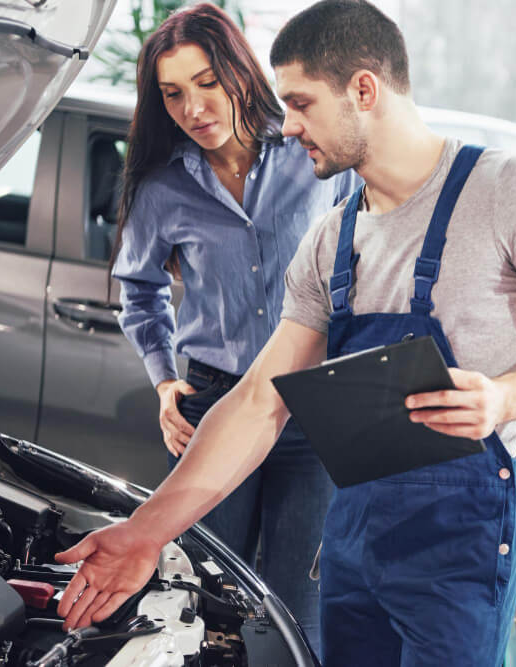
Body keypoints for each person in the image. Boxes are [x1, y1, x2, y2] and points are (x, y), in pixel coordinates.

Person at [57, 1, 516, 664]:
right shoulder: (330, 240)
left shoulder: (509, 190)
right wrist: (144, 532)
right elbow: (259, 401)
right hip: (354, 533)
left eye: (302, 103)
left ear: (363, 89)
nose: (289, 124)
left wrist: (504, 399)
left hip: (461, 540)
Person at [107, 3, 357, 652]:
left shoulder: (313, 155)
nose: (194, 106)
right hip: (214, 403)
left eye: (206, 82)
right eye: (174, 93)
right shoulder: (163, 189)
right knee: (206, 596)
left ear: (239, 74)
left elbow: (370, 251)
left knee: (293, 602)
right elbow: (139, 290)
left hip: (311, 403)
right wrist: (165, 382)